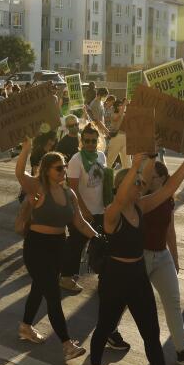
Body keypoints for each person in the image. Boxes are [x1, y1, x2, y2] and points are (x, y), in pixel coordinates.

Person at [84, 152, 184, 365]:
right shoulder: (112, 213)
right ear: (121, 188)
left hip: (137, 276)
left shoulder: (141, 206)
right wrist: (135, 165)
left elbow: (168, 188)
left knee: (151, 333)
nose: (140, 187)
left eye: (140, 184)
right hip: (115, 277)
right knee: (104, 326)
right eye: (135, 184)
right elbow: (124, 192)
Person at [14, 137, 99, 361]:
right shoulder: (38, 187)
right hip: (36, 247)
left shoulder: (69, 194)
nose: (63, 171)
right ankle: (67, 344)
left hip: (57, 247)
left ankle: (25, 326)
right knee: (52, 294)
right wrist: (26, 149)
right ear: (47, 170)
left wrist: (98, 238)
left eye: (64, 167)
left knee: (39, 288)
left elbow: (80, 222)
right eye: (59, 168)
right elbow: (20, 174)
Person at [141, 160, 184, 365]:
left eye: (152, 175)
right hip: (139, 257)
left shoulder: (168, 199)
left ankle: (182, 351)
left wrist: (175, 258)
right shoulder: (140, 198)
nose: (148, 178)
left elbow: (170, 229)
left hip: (162, 256)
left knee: (173, 303)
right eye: (146, 175)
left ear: (162, 179)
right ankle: (110, 331)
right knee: (125, 300)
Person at [60, 121, 111, 295]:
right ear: (82, 141)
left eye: (93, 141)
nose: (90, 144)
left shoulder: (101, 156)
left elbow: (104, 183)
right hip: (80, 212)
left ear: (98, 141)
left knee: (99, 245)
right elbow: (72, 188)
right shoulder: (76, 160)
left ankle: (103, 277)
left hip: (100, 210)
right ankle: (66, 277)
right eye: (87, 141)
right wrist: (83, 211)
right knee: (76, 244)